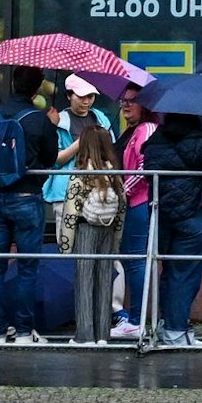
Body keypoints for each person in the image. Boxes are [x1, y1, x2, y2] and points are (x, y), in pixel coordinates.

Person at [0, 66, 61, 346]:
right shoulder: (40, 120)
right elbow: (50, 160)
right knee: (27, 268)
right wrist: (50, 124)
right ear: (36, 89)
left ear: (12, 83)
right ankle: (24, 331)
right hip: (28, 200)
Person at [142, 112, 202, 347]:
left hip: (162, 214)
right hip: (193, 215)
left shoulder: (154, 142)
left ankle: (166, 325)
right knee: (185, 274)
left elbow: (147, 173)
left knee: (169, 269)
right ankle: (176, 330)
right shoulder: (200, 140)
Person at [61, 126, 125, 344]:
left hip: (86, 227)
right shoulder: (114, 174)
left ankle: (84, 335)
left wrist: (66, 245)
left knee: (84, 279)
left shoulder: (81, 174)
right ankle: (102, 334)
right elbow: (122, 207)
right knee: (104, 278)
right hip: (108, 229)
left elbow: (71, 210)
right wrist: (117, 239)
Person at [111, 85, 159, 340]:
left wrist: (122, 191)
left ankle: (138, 319)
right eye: (123, 101)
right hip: (134, 202)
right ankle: (135, 318)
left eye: (132, 101)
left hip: (140, 202)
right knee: (132, 261)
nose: (126, 106)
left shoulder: (146, 129)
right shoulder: (133, 130)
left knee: (136, 261)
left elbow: (144, 167)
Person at [42, 75, 114, 234]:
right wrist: (81, 142)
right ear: (69, 95)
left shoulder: (101, 118)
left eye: (90, 96)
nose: (86, 101)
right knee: (66, 242)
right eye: (81, 96)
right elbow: (54, 160)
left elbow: (111, 151)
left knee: (97, 240)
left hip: (98, 189)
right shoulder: (58, 120)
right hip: (65, 191)